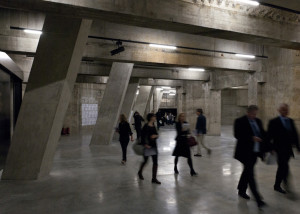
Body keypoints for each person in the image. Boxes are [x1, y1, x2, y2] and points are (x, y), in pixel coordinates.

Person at [234, 105, 267, 208]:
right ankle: (258, 199)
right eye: (252, 114)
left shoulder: (258, 121)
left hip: (255, 152)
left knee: (247, 171)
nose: (254, 116)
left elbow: (263, 134)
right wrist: (251, 138)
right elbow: (237, 135)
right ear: (248, 113)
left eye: (255, 114)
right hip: (244, 152)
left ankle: (241, 189)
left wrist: (271, 146)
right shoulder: (239, 121)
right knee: (251, 174)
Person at [268, 103, 300, 194]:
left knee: (282, 167)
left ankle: (277, 184)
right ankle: (284, 184)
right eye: (283, 110)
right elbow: (269, 136)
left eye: (286, 110)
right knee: (284, 166)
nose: (285, 111)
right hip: (278, 149)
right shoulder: (273, 122)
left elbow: (295, 135)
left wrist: (298, 147)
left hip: (288, 149)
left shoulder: (290, 121)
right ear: (279, 110)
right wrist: (270, 148)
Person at [138, 113, 161, 184]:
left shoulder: (154, 125)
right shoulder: (146, 126)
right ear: (151, 118)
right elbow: (142, 137)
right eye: (154, 117)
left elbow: (157, 134)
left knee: (155, 162)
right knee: (145, 161)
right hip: (148, 146)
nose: (155, 118)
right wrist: (145, 144)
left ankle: (154, 178)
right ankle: (140, 172)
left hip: (154, 146)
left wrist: (155, 136)